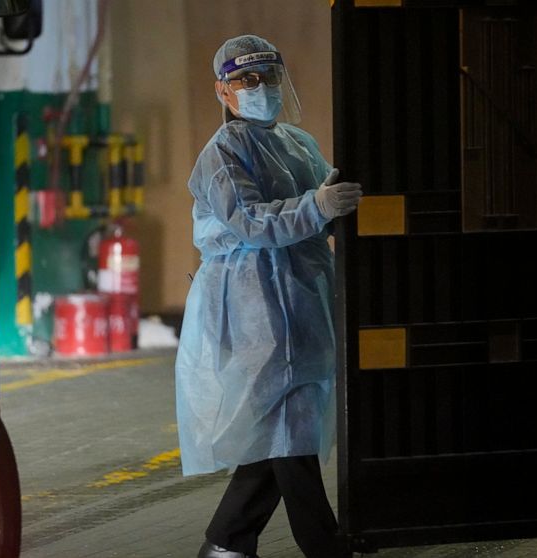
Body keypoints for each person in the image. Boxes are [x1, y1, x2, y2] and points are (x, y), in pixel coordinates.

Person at [175, 34, 363, 558]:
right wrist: (318, 206)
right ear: (224, 90)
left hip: (302, 295)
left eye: (268, 77)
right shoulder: (221, 154)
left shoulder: (297, 143)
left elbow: (321, 207)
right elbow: (251, 222)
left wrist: (335, 205)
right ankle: (325, 547)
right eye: (246, 80)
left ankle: (226, 544)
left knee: (282, 429)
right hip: (252, 301)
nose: (260, 88)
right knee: (286, 428)